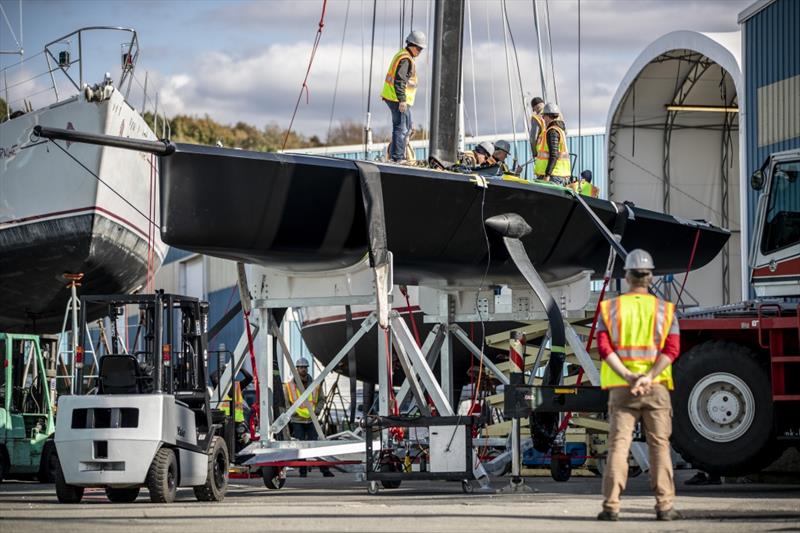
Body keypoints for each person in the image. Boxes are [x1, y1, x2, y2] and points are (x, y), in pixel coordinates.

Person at [595, 249, 681, 522]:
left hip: (622, 387)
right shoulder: (665, 310)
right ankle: (665, 507)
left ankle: (611, 506)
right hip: (655, 388)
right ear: (650, 276)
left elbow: (603, 347)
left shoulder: (610, 309)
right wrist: (649, 376)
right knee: (659, 446)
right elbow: (673, 349)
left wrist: (629, 375)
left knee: (619, 446)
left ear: (627, 275)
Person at [381, 30, 426, 162]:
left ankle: (395, 156)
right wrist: (402, 100)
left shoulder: (403, 55)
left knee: (406, 127)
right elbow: (399, 80)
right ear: (412, 45)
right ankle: (398, 158)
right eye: (419, 48)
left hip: (395, 98)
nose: (420, 51)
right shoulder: (405, 59)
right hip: (397, 99)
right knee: (401, 128)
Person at [285, 357, 333, 477]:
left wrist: (316, 412)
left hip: (312, 420)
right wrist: (291, 414)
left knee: (317, 445)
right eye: (301, 367)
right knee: (301, 446)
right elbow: (287, 403)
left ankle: (325, 470)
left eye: (305, 367)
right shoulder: (289, 386)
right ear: (296, 369)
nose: (303, 370)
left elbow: (322, 399)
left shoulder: (315, 384)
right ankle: (303, 471)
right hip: (297, 420)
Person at [533, 103, 571, 184]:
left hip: (553, 175)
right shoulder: (559, 130)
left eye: (543, 116)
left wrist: (547, 175)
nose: (542, 118)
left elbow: (554, 155)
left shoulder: (552, 131)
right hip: (557, 174)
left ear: (548, 116)